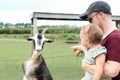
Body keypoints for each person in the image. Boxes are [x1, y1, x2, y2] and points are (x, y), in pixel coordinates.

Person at [72, 1, 120, 80]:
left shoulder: (115, 38)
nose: (90, 24)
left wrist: (86, 66)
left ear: (101, 15)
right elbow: (96, 48)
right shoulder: (103, 37)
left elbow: (112, 71)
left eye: (90, 19)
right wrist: (82, 48)